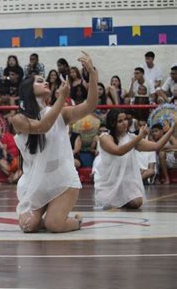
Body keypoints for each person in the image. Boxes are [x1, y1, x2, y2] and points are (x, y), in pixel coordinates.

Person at [11, 51, 98, 233]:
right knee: (27, 226)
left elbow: (90, 105)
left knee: (54, 225)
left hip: (62, 179)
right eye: (39, 80)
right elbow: (43, 126)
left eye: (45, 80)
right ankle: (47, 216)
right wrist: (61, 98)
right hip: (35, 181)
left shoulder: (61, 112)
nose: (45, 82)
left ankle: (76, 220)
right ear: (27, 89)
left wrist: (93, 73)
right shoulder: (18, 118)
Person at [94, 110, 175, 209]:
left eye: (125, 120)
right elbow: (119, 151)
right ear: (112, 123)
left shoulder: (131, 138)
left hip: (127, 182)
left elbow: (157, 146)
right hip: (110, 182)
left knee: (137, 203)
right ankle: (117, 200)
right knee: (109, 204)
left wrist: (172, 129)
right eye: (120, 121)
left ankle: (120, 201)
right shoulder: (105, 137)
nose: (124, 123)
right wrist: (139, 137)